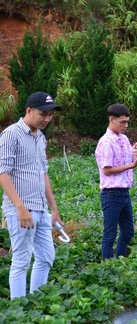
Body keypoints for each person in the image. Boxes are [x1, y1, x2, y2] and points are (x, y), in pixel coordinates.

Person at [0, 92, 63, 299]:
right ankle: (18, 308)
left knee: (46, 257)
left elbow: (43, 173)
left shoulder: (40, 138)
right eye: (43, 114)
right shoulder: (11, 134)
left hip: (41, 208)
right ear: (29, 110)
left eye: (50, 115)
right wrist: (19, 207)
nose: (47, 119)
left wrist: (53, 208)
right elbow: (3, 173)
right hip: (20, 209)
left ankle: (36, 302)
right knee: (21, 260)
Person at [95, 103, 137, 259]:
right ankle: (108, 265)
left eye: (127, 122)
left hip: (124, 192)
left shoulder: (123, 139)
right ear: (111, 119)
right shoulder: (106, 142)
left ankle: (119, 260)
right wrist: (132, 165)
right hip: (111, 193)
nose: (125, 125)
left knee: (128, 231)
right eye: (122, 122)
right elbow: (107, 169)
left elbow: (129, 156)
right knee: (110, 233)